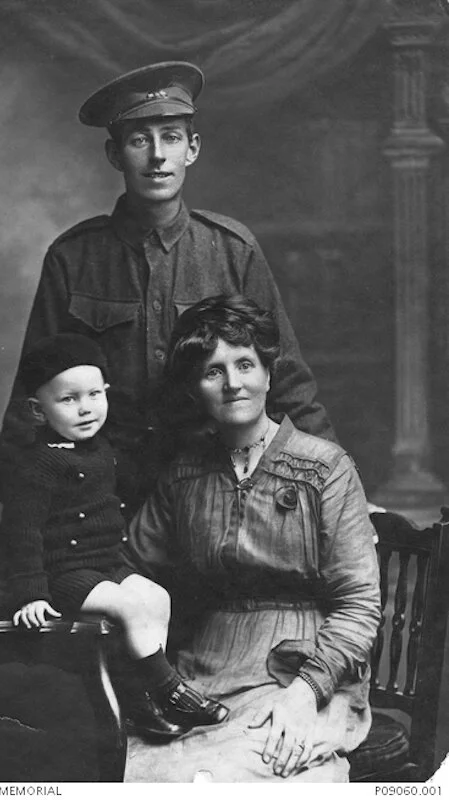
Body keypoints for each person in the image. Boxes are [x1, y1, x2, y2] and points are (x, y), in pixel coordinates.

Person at [0, 61, 336, 592]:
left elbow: (287, 379)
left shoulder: (231, 250)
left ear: (192, 149)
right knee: (119, 650)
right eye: (139, 139)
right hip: (105, 500)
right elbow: (30, 400)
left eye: (171, 138)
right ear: (115, 154)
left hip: (215, 486)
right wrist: (22, 523)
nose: (157, 156)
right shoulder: (74, 257)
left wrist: (337, 492)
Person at [122, 295, 381, 783]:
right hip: (201, 673)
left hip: (304, 669)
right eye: (212, 371)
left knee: (254, 774)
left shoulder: (325, 468)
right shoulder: (183, 474)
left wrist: (305, 693)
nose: (233, 383)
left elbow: (360, 604)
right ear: (194, 386)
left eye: (245, 363)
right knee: (139, 776)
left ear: (268, 372)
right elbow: (131, 565)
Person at [0, 331, 229, 739]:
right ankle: (170, 690)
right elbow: (23, 531)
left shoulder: (102, 449)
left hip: (106, 562)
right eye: (68, 400)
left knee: (156, 597)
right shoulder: (38, 465)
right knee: (131, 608)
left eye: (94, 394)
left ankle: (143, 702)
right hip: (63, 573)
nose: (86, 409)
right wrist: (31, 592)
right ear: (38, 410)